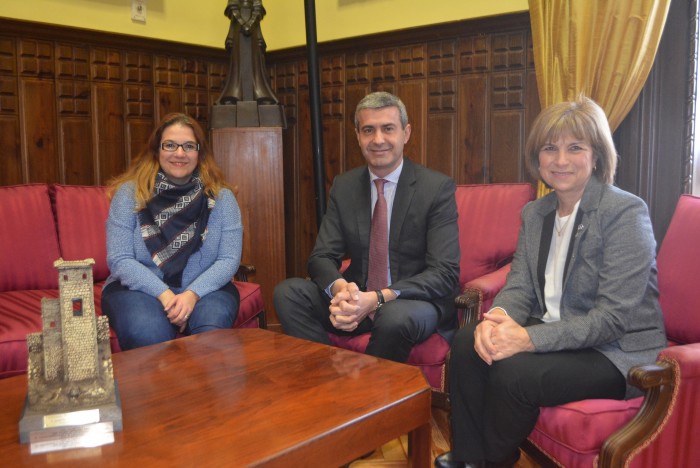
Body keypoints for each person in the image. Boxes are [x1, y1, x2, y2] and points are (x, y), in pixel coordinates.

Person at [435, 95, 667, 468]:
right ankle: (470, 458)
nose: (560, 160)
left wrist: (527, 339)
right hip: (558, 334)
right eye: (549, 148)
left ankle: (492, 460)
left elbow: (612, 319)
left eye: (575, 148)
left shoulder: (624, 212)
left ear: (597, 155)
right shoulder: (536, 212)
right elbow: (520, 285)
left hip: (614, 351)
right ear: (537, 157)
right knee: (466, 342)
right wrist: (495, 321)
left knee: (513, 373)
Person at [274, 91, 460, 363]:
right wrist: (341, 291)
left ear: (406, 133)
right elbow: (322, 256)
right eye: (368, 130)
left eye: (388, 129)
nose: (378, 140)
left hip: (412, 303)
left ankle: (368, 397)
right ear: (358, 136)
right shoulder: (345, 186)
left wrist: (378, 298)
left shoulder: (435, 188)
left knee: (393, 315)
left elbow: (444, 273)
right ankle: (326, 380)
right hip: (358, 297)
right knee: (288, 293)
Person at [102, 113, 243, 351]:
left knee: (213, 331)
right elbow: (120, 259)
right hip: (138, 289)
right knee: (148, 332)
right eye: (170, 145)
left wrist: (192, 295)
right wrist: (165, 295)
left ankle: (208, 390)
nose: (179, 153)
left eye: (189, 146)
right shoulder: (129, 194)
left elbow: (228, 260)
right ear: (157, 150)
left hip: (205, 288)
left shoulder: (222, 199)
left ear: (200, 152)